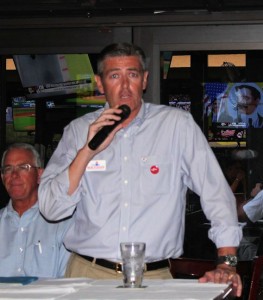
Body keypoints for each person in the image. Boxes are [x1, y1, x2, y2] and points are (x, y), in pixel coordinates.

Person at [39, 43, 243, 297]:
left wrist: (227, 262)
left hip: (154, 277)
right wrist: (87, 151)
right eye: (115, 76)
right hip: (87, 275)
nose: (124, 86)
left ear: (144, 80)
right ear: (100, 84)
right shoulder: (78, 131)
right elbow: (50, 208)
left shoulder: (175, 126)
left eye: (132, 75)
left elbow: (216, 193)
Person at [0, 143, 72, 277]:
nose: (14, 175)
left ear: (40, 175)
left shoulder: (62, 223)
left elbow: (65, 281)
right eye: (8, 169)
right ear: (2, 177)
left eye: (23, 167)